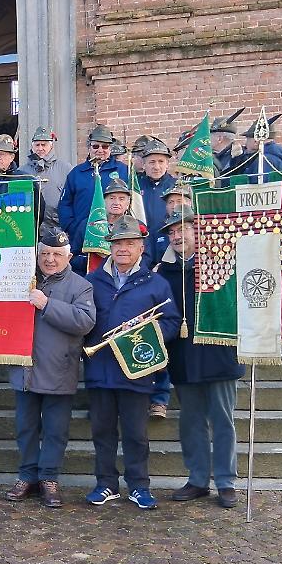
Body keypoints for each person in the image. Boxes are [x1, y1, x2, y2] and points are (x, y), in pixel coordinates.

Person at [83, 216, 181, 510]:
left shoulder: (156, 283)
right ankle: (106, 484)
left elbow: (172, 322)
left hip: (136, 370)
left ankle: (139, 486)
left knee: (136, 434)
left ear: (140, 248)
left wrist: (145, 335)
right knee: (102, 432)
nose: (122, 249)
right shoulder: (93, 281)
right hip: (100, 368)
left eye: (129, 244)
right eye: (117, 244)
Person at [157, 207, 243, 508]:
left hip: (219, 353)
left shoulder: (221, 263)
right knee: (191, 420)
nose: (177, 236)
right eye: (172, 232)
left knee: (222, 420)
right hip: (183, 354)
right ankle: (197, 478)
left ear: (198, 231)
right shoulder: (164, 271)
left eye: (183, 229)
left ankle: (225, 480)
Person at [5, 232, 96, 508]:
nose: (50, 259)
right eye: (45, 253)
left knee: (56, 430)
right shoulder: (23, 278)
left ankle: (49, 478)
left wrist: (47, 304)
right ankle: (27, 475)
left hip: (59, 369)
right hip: (25, 368)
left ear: (68, 257)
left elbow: (85, 321)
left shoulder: (81, 286)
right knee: (26, 428)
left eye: (56, 254)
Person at [58, 125, 130, 273]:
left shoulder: (122, 170)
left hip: (117, 232)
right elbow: (65, 204)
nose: (100, 150)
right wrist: (75, 227)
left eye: (105, 146)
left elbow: (133, 200)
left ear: (110, 148)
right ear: (89, 146)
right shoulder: (76, 173)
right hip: (84, 234)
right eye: (96, 146)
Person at [24, 126, 69, 233]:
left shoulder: (65, 168)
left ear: (51, 146)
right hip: (30, 228)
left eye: (43, 145)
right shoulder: (22, 171)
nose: (40, 148)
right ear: (32, 146)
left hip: (58, 228)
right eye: (37, 145)